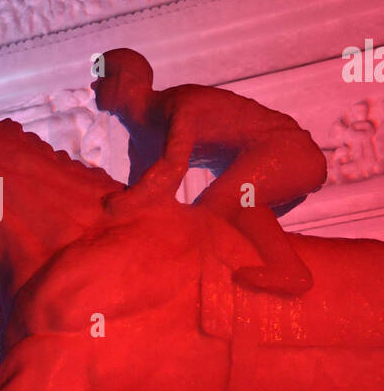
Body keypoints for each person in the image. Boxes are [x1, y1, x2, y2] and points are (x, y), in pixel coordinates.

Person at [92, 47, 326, 296]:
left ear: (124, 80)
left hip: (292, 152)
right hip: (274, 160)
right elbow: (146, 199)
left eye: (101, 76)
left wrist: (123, 205)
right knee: (230, 211)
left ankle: (290, 271)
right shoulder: (140, 139)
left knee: (216, 205)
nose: (94, 85)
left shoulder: (180, 105)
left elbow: (171, 169)